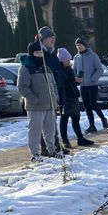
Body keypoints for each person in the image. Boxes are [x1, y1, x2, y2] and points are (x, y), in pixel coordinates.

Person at [17, 41, 63, 162]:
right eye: (37, 52)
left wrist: (55, 98)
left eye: (41, 52)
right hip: (35, 106)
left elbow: (53, 85)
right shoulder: (26, 69)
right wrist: (34, 99)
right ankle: (35, 154)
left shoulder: (46, 68)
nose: (39, 54)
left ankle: (52, 150)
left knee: (51, 130)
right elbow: (22, 87)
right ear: (32, 53)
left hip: (50, 105)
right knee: (35, 131)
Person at [37, 26, 69, 155]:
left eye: (54, 37)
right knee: (44, 124)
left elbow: (59, 78)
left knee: (52, 123)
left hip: (54, 95)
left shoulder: (53, 56)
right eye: (50, 37)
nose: (53, 39)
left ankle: (55, 145)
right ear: (43, 39)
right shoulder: (39, 55)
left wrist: (61, 96)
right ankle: (45, 148)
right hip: (43, 96)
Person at [57, 48, 94, 148]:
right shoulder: (59, 70)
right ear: (61, 60)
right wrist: (73, 79)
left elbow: (72, 82)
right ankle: (65, 140)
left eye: (69, 60)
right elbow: (62, 83)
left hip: (73, 96)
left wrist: (78, 80)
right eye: (67, 60)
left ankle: (80, 138)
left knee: (76, 118)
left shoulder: (69, 69)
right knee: (64, 119)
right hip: (65, 97)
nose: (68, 62)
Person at [73, 37, 107, 133]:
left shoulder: (93, 56)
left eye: (80, 45)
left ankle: (103, 119)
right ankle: (92, 125)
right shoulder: (76, 57)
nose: (78, 47)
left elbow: (99, 69)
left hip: (92, 85)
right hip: (83, 85)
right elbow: (74, 70)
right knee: (87, 106)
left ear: (85, 45)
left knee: (93, 104)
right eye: (77, 46)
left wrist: (93, 79)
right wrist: (76, 78)